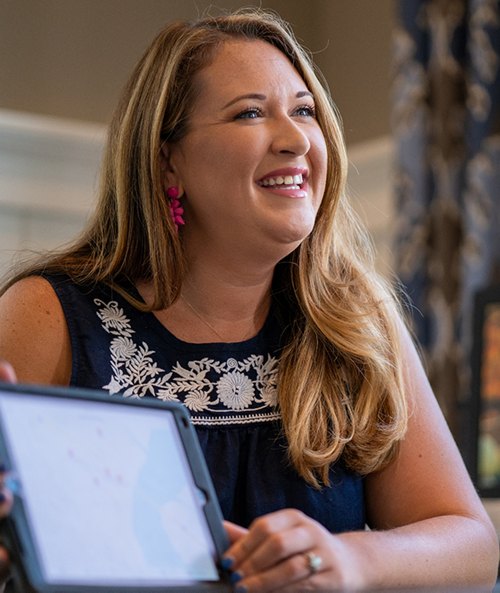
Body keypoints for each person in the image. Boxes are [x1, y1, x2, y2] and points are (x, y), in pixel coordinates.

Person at [0, 8, 498, 592]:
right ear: (169, 162)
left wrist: (352, 561)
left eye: (305, 111)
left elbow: (472, 545)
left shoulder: (356, 322)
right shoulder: (47, 317)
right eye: (251, 113)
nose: (295, 139)